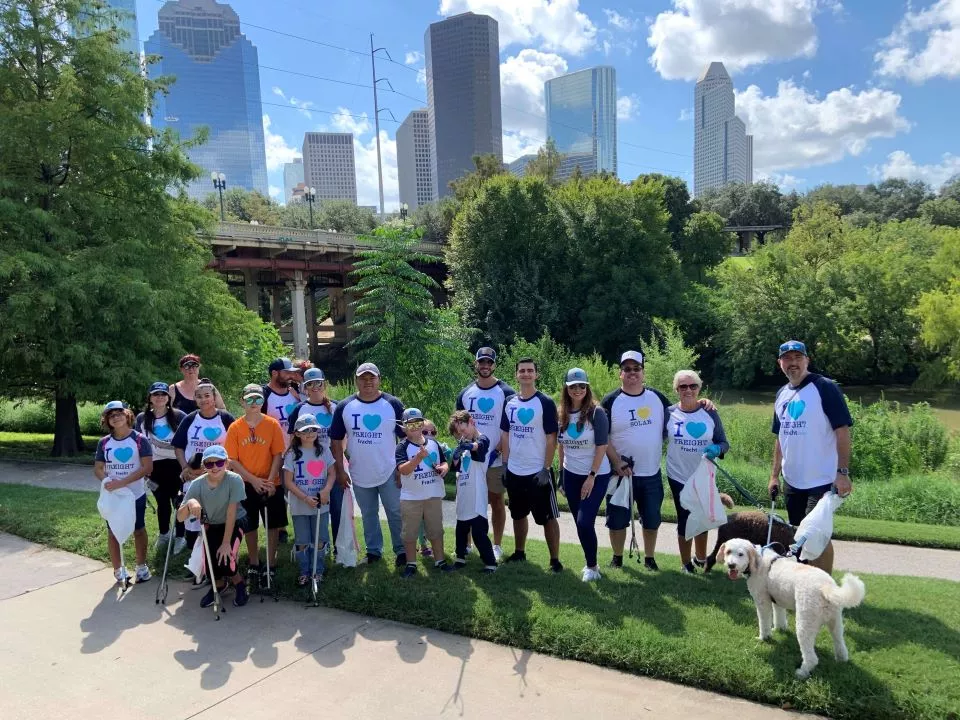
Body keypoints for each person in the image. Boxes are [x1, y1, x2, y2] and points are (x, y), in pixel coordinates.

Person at [603, 350, 714, 571]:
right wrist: (616, 462)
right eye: (627, 369)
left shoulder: (657, 397)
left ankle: (650, 558)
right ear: (620, 373)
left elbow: (682, 411)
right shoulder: (611, 401)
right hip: (620, 472)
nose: (632, 373)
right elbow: (602, 436)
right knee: (617, 519)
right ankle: (617, 557)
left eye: (637, 369)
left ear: (643, 372)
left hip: (651, 473)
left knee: (652, 519)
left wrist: (703, 403)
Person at [329, 362, 406, 566]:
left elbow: (407, 437)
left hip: (389, 469)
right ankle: (374, 551)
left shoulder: (393, 404)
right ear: (356, 380)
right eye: (363, 378)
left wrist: (402, 466)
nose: (368, 381)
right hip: (359, 471)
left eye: (372, 377)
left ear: (379, 379)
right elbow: (336, 440)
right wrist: (339, 470)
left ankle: (402, 551)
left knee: (395, 511)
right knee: (368, 513)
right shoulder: (345, 406)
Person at [769, 340, 854, 526]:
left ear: (807, 360)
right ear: (780, 363)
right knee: (797, 537)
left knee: (816, 536)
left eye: (798, 357)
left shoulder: (825, 387)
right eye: (787, 358)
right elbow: (780, 437)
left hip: (821, 480)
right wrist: (774, 476)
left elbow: (842, 431)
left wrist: (842, 473)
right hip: (791, 480)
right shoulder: (781, 394)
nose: (793, 362)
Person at [499, 357, 563, 572]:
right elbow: (505, 435)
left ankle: (554, 560)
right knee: (517, 514)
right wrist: (505, 464)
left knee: (548, 517)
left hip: (538, 471)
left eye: (530, 370)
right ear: (516, 374)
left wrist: (546, 468)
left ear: (536, 374)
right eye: (522, 370)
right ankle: (519, 552)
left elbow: (551, 437)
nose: (526, 374)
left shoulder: (544, 402)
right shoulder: (509, 402)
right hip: (515, 469)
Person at [666, 369, 729, 574]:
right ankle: (685, 564)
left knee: (702, 518)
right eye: (683, 386)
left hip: (704, 475)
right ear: (676, 389)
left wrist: (717, 449)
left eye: (693, 386)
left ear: (699, 388)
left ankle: (701, 559)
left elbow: (723, 442)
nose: (688, 390)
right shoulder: (669, 413)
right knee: (685, 518)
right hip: (678, 474)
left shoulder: (709, 412)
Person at [456, 347, 515, 562]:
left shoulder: (506, 392)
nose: (485, 366)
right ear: (476, 364)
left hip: (495, 458)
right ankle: (468, 544)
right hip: (470, 459)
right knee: (470, 500)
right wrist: (464, 447)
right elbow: (457, 425)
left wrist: (497, 449)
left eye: (489, 362)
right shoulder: (465, 393)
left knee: (496, 500)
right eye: (482, 362)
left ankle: (497, 545)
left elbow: (509, 426)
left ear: (494, 365)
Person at [225, 383, 286, 590]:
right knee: (249, 525)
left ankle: (270, 563)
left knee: (273, 525)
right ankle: (253, 562)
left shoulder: (272, 424)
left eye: (258, 399)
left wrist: (269, 480)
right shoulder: (235, 427)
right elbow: (232, 460)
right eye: (249, 399)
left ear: (263, 401)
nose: (254, 403)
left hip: (271, 483)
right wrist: (253, 480)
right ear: (242, 401)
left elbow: (278, 454)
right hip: (245, 483)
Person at [176, 444, 249, 608]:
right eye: (209, 464)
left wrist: (225, 543)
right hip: (212, 524)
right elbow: (180, 518)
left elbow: (231, 513)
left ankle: (239, 583)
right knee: (210, 564)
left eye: (219, 462)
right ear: (204, 466)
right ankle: (219, 585)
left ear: (227, 463)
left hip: (235, 522)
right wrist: (190, 504)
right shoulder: (197, 484)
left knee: (226, 558)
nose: (215, 467)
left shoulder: (234, 480)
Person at [557, 368, 611, 583]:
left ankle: (592, 567)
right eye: (573, 386)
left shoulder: (597, 413)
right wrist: (561, 473)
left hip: (596, 475)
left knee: (584, 521)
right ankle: (591, 563)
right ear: (567, 389)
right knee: (580, 523)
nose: (577, 389)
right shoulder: (561, 412)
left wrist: (591, 476)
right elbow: (561, 446)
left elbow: (602, 446)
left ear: (586, 388)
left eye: (581, 386)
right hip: (571, 474)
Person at [170, 380, 235, 553]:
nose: (203, 399)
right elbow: (178, 447)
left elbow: (235, 448)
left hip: (218, 476)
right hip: (193, 477)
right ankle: (195, 564)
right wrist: (185, 467)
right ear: (195, 399)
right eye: (199, 396)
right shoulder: (190, 419)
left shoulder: (226, 418)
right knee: (193, 521)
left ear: (214, 397)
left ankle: (213, 566)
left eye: (207, 395)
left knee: (215, 523)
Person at [94, 401, 153, 585]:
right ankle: (118, 569)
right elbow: (98, 468)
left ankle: (141, 567)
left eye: (119, 413)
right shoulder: (104, 442)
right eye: (111, 415)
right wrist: (107, 480)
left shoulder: (139, 440)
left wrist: (123, 482)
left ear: (127, 415)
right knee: (113, 531)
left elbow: (147, 467)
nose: (116, 417)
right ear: (107, 420)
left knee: (138, 529)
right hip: (114, 495)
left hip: (135, 494)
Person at [287, 367, 342, 550]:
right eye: (310, 384)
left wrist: (338, 459)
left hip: (331, 464)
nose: (315, 387)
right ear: (305, 387)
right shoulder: (299, 409)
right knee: (312, 506)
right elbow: (292, 438)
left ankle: (337, 546)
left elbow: (344, 437)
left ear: (324, 384)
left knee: (336, 508)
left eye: (318, 383)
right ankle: (313, 546)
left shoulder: (336, 407)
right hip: (308, 465)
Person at [395, 408, 453, 578]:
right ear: (404, 427)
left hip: (433, 494)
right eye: (410, 424)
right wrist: (418, 458)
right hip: (411, 497)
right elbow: (403, 470)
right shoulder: (402, 446)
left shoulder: (433, 443)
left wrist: (443, 468)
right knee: (410, 532)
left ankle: (440, 560)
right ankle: (411, 564)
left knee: (436, 529)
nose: (415, 427)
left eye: (418, 423)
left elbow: (443, 462)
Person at [282, 414, 338, 586]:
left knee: (320, 538)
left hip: (321, 503)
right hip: (300, 504)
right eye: (305, 431)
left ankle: (318, 570)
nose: (310, 433)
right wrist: (305, 498)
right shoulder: (292, 453)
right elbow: (288, 481)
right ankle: (304, 570)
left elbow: (332, 473)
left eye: (313, 429)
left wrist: (327, 489)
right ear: (297, 433)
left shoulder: (324, 450)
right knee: (302, 539)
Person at [135, 382, 188, 554]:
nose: (160, 397)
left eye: (163, 394)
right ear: (150, 398)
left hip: (176, 466)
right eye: (156, 394)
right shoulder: (142, 418)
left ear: (168, 397)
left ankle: (181, 536)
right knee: (162, 502)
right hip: (154, 468)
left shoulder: (179, 416)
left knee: (178, 502)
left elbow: (186, 442)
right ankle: (164, 533)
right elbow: (139, 444)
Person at [448, 410, 497, 573]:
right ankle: (460, 559)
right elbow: (456, 467)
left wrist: (468, 445)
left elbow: (479, 447)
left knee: (478, 532)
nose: (461, 434)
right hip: (463, 491)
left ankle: (490, 563)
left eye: (463, 429)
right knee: (461, 529)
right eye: (458, 433)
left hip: (477, 493)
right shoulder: (463, 443)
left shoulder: (482, 438)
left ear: (471, 422)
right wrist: (455, 456)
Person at [262, 356, 301, 438]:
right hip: (276, 449)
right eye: (287, 372)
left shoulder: (297, 390)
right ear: (274, 373)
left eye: (291, 372)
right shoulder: (263, 394)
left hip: (298, 449)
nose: (291, 376)